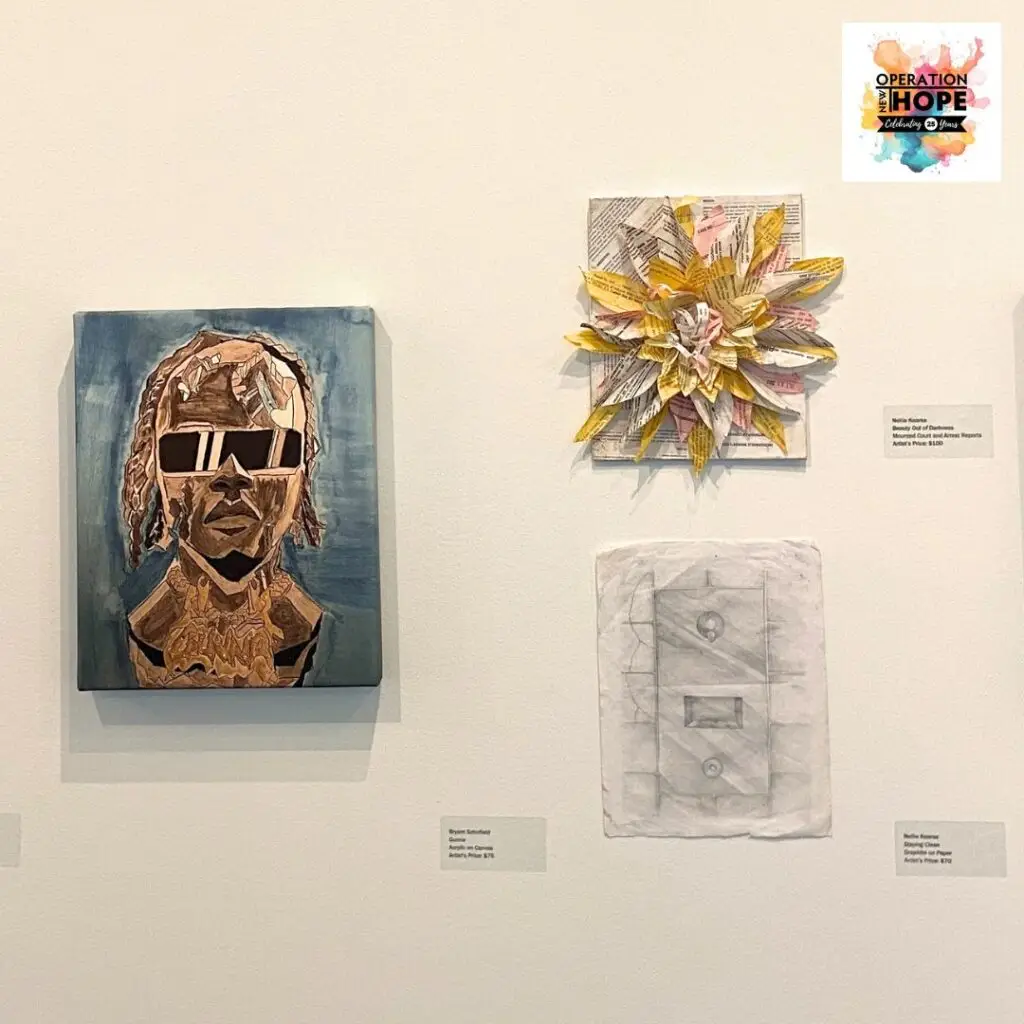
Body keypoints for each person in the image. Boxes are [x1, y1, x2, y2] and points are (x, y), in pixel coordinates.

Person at [120, 328, 325, 687]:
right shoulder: (145, 632)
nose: (232, 475)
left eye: (267, 450)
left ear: (303, 474)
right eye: (195, 451)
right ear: (155, 471)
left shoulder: (311, 629)